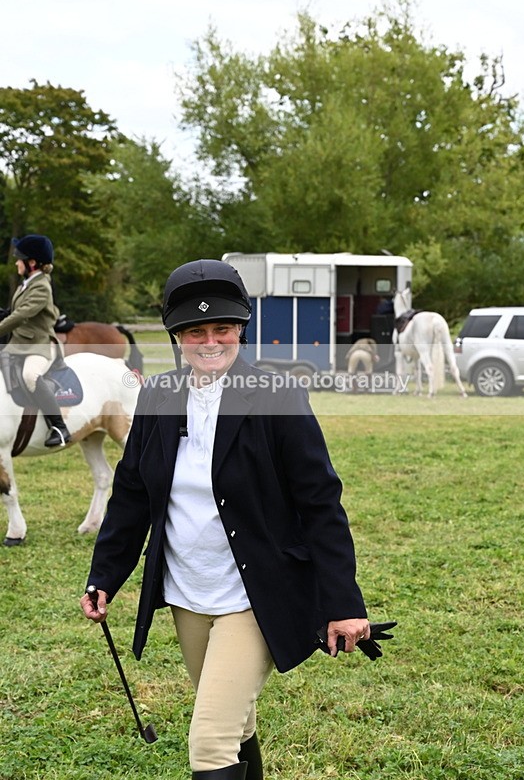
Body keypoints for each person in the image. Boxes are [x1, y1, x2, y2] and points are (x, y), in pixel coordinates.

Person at [80, 259, 371, 779]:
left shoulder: (277, 396)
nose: (210, 341)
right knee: (234, 727)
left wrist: (344, 605)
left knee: (210, 743)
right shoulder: (159, 396)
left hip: (253, 592)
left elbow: (321, 505)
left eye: (222, 328)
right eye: (195, 330)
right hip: (188, 592)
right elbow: (131, 494)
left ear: (240, 329)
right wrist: (104, 576)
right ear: (178, 336)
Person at [0, 234, 71, 447]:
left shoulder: (41, 286)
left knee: (30, 376)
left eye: (19, 258)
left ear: (32, 263)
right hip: (19, 344)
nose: (15, 262)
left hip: (39, 345)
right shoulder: (27, 284)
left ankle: (59, 427)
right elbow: (15, 311)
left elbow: (22, 314)